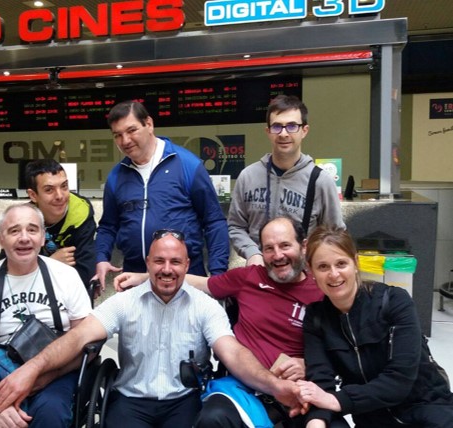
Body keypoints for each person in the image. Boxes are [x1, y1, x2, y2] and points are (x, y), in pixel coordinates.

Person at [0, 229, 305, 428]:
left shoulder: (205, 305)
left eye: (175, 262)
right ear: (147, 262)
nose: (167, 269)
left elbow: (233, 352)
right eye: (159, 261)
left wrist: (275, 386)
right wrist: (30, 370)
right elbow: (78, 337)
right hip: (129, 401)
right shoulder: (125, 302)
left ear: (187, 265)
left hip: (182, 401)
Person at [116, 216, 343, 427]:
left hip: (301, 386)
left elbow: (343, 349)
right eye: (268, 248)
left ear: (303, 246)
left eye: (285, 246)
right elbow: (203, 283)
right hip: (245, 386)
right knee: (212, 418)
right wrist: (144, 278)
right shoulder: (249, 277)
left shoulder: (322, 290)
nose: (277, 255)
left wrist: (307, 363)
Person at [297, 225, 453, 427]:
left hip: (427, 409)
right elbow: (321, 380)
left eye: (341, 263)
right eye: (323, 267)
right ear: (311, 271)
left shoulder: (395, 301)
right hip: (372, 417)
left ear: (355, 263)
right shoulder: (316, 317)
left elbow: (400, 379)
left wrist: (337, 400)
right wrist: (316, 421)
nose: (333, 274)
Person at [0, 203, 92, 427]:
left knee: (52, 412)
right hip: (0, 371)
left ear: (42, 237)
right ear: (1, 240)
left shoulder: (66, 276)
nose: (24, 238)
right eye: (14, 231)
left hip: (55, 368)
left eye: (32, 230)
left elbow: (86, 342)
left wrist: (44, 377)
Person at [95, 99, 230, 289]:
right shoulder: (116, 176)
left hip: (184, 281)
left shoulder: (187, 165)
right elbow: (108, 226)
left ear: (149, 124)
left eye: (132, 130)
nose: (125, 141)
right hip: (134, 280)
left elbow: (214, 222)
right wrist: (101, 257)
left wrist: (217, 276)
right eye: (118, 135)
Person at [228, 94, 345, 267]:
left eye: (292, 126)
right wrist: (252, 253)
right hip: (258, 274)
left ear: (304, 131)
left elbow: (335, 235)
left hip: (302, 278)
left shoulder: (320, 181)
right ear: (268, 132)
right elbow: (235, 227)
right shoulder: (248, 176)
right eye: (276, 127)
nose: (283, 133)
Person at [23, 158, 96, 287]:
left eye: (64, 186)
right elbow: (9, 272)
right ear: (33, 195)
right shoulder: (22, 220)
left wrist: (34, 269)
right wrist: (50, 264)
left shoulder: (81, 213)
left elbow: (85, 276)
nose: (60, 196)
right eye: (49, 190)